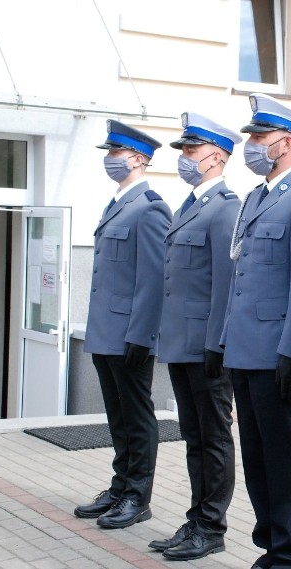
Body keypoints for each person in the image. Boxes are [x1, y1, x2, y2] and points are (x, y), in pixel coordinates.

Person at [220, 93, 291, 569]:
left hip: (277, 354)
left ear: (287, 143)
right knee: (259, 457)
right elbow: (243, 275)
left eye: (260, 138)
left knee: (287, 457)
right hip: (246, 349)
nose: (252, 145)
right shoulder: (256, 198)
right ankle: (271, 543)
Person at [150, 113, 242, 561]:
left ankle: (212, 526)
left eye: (191, 151)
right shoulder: (190, 205)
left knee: (213, 437)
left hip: (206, 347)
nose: (184, 158)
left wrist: (217, 343)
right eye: (184, 151)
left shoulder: (225, 208)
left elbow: (227, 282)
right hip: (182, 344)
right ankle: (196, 519)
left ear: (217, 157)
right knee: (194, 437)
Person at [75, 120, 172, 529]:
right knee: (117, 415)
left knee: (136, 415)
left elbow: (153, 278)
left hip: (129, 334)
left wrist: (142, 334)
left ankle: (137, 495)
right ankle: (120, 487)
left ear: (137, 158)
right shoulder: (118, 204)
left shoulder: (150, 208)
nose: (109, 160)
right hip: (106, 331)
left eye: (115, 153)